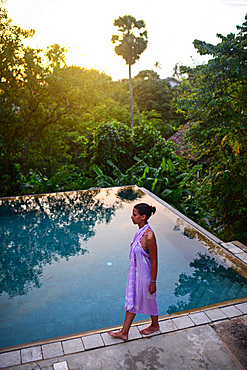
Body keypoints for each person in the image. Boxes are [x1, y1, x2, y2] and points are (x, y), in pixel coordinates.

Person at [108, 203, 159, 341]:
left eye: (134, 215)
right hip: (136, 275)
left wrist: (153, 282)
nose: (131, 217)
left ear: (143, 217)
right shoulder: (140, 232)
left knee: (149, 300)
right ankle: (124, 332)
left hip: (145, 276)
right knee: (134, 300)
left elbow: (154, 261)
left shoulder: (149, 236)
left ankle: (154, 326)